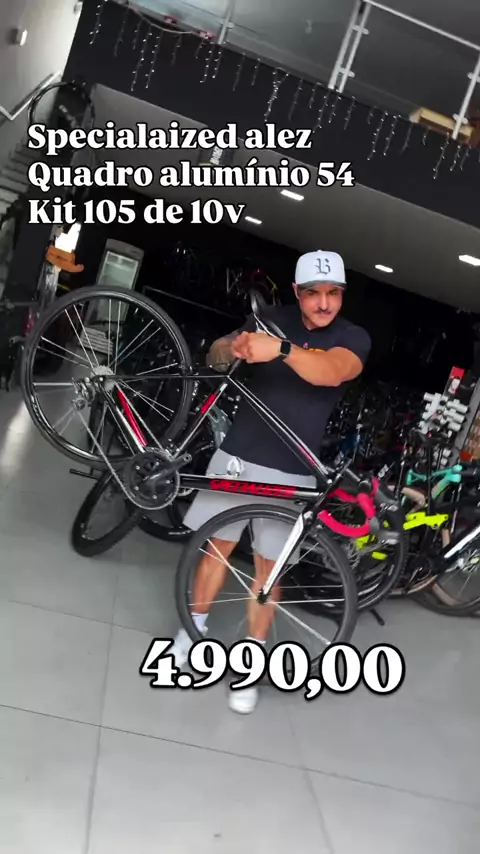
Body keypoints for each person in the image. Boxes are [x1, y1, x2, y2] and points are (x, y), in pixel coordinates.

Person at [170, 250, 372, 713]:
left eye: (333, 293)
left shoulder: (352, 336)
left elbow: (331, 372)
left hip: (293, 470)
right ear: (298, 292)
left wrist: (279, 349)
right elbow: (216, 353)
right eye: (314, 293)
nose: (324, 303)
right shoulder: (270, 319)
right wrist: (234, 348)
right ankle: (191, 631)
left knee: (268, 573)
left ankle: (249, 665)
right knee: (214, 551)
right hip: (237, 457)